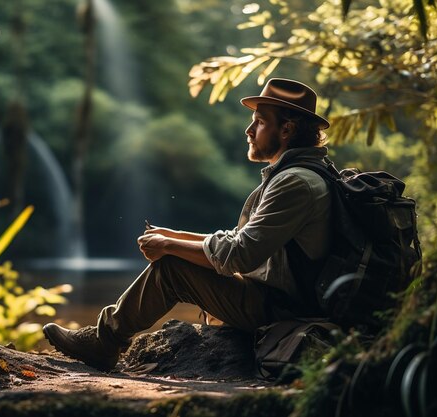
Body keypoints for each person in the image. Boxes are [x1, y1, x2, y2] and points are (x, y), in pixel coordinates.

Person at [43, 78, 332, 371]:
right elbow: (243, 240)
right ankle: (107, 336)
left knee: (172, 269)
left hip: (286, 310)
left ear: (286, 129)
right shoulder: (300, 174)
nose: (248, 130)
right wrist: (178, 235)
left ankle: (104, 342)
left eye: (258, 121)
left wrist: (170, 246)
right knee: (176, 259)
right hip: (284, 300)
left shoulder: (294, 182)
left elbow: (241, 254)